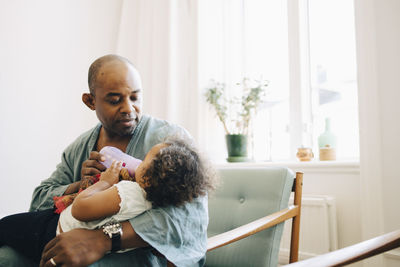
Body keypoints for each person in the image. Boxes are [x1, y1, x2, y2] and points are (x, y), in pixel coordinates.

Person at [0, 54, 210, 267]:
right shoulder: (80, 148)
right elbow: (38, 202)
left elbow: (188, 218)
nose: (129, 108)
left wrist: (103, 239)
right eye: (115, 100)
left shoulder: (169, 141)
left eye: (135, 98)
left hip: (136, 257)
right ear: (90, 101)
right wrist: (80, 185)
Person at [0, 138, 216, 264]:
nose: (138, 161)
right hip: (66, 231)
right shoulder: (152, 200)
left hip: (55, 230)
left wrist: (104, 183)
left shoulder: (129, 192)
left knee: (6, 226)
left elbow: (81, 209)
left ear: (149, 179)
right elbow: (42, 193)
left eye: (145, 159)